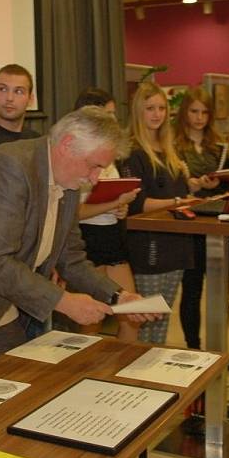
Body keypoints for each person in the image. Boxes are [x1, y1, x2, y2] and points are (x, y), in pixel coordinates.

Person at [0, 106, 152, 363]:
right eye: (94, 166)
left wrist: (118, 296)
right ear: (68, 144)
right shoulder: (10, 168)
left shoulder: (68, 183)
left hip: (1, 305)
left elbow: (71, 258)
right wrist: (65, 302)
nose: (94, 179)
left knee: (19, 384)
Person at [120, 81, 196, 344]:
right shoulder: (131, 153)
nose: (157, 114)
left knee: (162, 321)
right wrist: (176, 201)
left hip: (177, 245)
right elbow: (136, 204)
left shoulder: (170, 150)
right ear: (138, 111)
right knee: (146, 322)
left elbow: (181, 192)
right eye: (150, 108)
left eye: (161, 108)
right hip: (148, 248)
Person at [73, 88, 141, 342]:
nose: (114, 120)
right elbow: (75, 213)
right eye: (107, 114)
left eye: (114, 114)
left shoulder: (109, 154)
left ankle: (125, 374)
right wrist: (114, 202)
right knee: (93, 320)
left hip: (112, 235)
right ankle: (88, 373)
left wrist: (120, 206)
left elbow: (112, 199)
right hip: (88, 239)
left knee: (130, 313)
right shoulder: (78, 156)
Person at [173, 86, 229, 349]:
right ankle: (193, 346)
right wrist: (191, 185)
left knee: (221, 290)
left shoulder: (220, 148)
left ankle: (219, 347)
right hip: (190, 225)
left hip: (219, 225)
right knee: (192, 288)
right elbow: (172, 185)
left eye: (204, 112)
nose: (199, 118)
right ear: (185, 112)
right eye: (194, 111)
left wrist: (216, 184)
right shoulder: (173, 146)